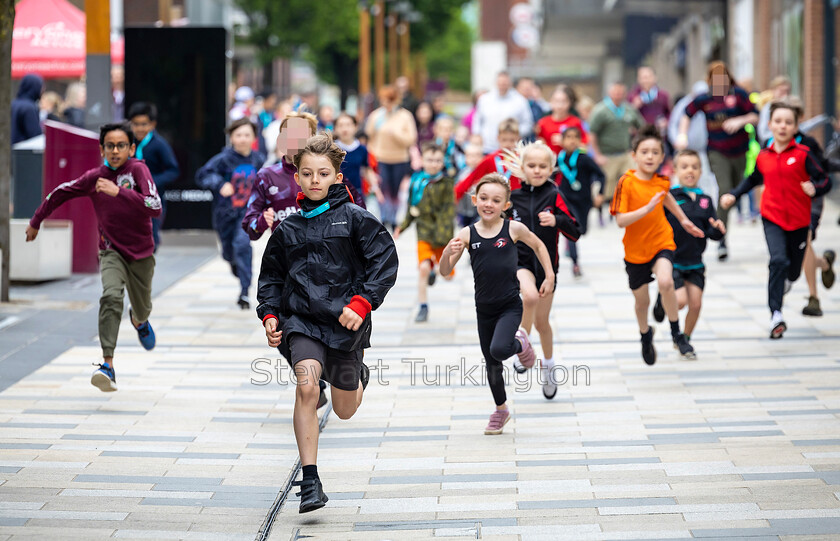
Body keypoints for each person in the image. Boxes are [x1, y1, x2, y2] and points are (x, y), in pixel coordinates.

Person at [257, 134, 398, 513]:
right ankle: (311, 481)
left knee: (346, 408)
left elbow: (383, 264)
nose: (315, 180)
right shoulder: (287, 230)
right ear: (297, 178)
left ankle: (356, 376)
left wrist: (362, 303)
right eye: (307, 173)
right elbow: (270, 277)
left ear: (337, 177)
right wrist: (270, 315)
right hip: (301, 321)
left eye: (323, 173)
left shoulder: (357, 220)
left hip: (346, 324)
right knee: (306, 385)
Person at [25, 123, 161, 391]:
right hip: (110, 250)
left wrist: (119, 192)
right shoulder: (94, 177)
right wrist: (36, 221)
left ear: (131, 148)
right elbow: (61, 192)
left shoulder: (138, 170)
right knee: (111, 296)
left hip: (142, 253)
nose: (115, 151)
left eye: (121, 145)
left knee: (142, 306)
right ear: (101, 149)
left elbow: (154, 206)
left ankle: (139, 319)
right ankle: (107, 364)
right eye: (109, 146)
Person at [440, 174, 553, 434]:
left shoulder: (513, 229)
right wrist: (447, 252)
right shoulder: (467, 234)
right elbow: (446, 270)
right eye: (483, 198)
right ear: (474, 200)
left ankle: (520, 342)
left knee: (501, 349)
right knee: (492, 363)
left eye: (496, 200)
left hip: (510, 305)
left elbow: (538, 245)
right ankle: (501, 410)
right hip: (484, 309)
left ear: (506, 205)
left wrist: (549, 274)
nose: (488, 204)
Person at [720, 100, 831, 338]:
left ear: (795, 127)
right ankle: (776, 315)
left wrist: (815, 187)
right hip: (772, 216)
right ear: (769, 124)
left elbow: (824, 180)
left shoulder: (804, 154)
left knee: (792, 273)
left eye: (788, 122)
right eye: (778, 121)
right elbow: (752, 179)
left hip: (800, 221)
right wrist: (733, 195)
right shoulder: (763, 155)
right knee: (777, 260)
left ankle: (785, 282)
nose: (782, 126)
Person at [610, 126, 705, 364]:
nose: (650, 156)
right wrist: (647, 208)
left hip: (662, 242)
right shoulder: (627, 182)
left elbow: (667, 198)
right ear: (635, 155)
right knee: (642, 302)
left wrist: (684, 221)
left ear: (663, 157)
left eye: (655, 152)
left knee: (665, 281)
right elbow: (621, 220)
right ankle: (645, 334)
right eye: (645, 151)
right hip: (635, 251)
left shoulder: (662, 181)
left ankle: (677, 334)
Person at [505, 141, 581, 399]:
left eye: (542, 166)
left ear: (551, 169)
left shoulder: (554, 195)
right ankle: (521, 347)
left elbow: (576, 231)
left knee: (542, 322)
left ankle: (548, 367)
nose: (537, 170)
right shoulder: (512, 197)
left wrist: (557, 220)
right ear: (522, 168)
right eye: (532, 165)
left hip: (548, 267)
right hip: (520, 263)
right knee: (529, 297)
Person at [675, 61, 759, 261]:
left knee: (737, 190)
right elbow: (686, 114)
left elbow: (756, 115)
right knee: (725, 190)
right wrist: (682, 134)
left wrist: (740, 121)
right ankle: (721, 237)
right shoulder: (705, 98)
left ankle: (727, 222)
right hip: (717, 151)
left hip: (739, 151)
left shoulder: (739, 94)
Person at [652, 150, 726, 344]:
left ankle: (684, 338)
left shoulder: (706, 201)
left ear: (701, 171)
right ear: (675, 170)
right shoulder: (671, 198)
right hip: (673, 260)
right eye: (684, 167)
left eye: (695, 167)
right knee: (681, 301)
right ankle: (663, 299)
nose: (690, 171)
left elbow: (711, 232)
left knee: (695, 304)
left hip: (695, 262)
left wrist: (718, 230)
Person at [197, 118, 266, 309]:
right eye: (238, 135)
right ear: (231, 137)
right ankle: (235, 265)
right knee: (228, 252)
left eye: (247, 135)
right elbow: (202, 175)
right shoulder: (223, 159)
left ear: (253, 137)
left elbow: (266, 183)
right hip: (224, 214)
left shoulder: (258, 159)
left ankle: (244, 291)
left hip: (247, 213)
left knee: (242, 244)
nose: (243, 139)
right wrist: (220, 184)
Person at [394, 142, 455, 322]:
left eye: (438, 160)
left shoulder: (446, 183)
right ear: (423, 160)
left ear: (443, 162)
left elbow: (448, 212)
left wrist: (448, 239)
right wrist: (402, 226)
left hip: (442, 236)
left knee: (448, 276)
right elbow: (411, 208)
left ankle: (434, 271)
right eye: (430, 159)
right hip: (424, 234)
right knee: (422, 268)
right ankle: (423, 306)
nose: (434, 163)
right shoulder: (416, 182)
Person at [127, 102, 181, 251]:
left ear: (152, 125)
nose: (139, 128)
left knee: (150, 238)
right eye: (135, 124)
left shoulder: (159, 145)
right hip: (130, 198)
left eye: (144, 124)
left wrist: (152, 182)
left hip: (152, 199)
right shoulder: (127, 142)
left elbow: (173, 170)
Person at [365, 85, 418, 231]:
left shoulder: (405, 116)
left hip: (400, 158)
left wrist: (396, 133)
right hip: (380, 158)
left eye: (390, 100)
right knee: (383, 189)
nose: (387, 104)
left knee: (395, 191)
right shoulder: (377, 115)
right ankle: (384, 217)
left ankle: (394, 218)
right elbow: (369, 134)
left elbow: (411, 139)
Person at [554, 126, 605, 277]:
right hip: (566, 200)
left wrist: (600, 194)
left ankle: (570, 244)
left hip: (584, 201)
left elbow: (601, 175)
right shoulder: (559, 159)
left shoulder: (584, 159)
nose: (572, 141)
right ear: (562, 141)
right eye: (568, 137)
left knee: (582, 230)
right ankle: (575, 263)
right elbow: (549, 176)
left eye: (575, 137)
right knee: (573, 229)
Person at [589, 82, 644, 207]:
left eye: (621, 93)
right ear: (610, 92)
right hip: (607, 155)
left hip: (625, 153)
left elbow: (641, 127)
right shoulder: (600, 110)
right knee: (607, 188)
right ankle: (607, 212)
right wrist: (597, 155)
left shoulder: (629, 109)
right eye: (615, 92)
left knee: (633, 179)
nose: (618, 95)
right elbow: (592, 134)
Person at [454, 118, 523, 201]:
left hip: (518, 203)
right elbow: (470, 179)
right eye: (504, 140)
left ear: (518, 139)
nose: (508, 144)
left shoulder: (522, 160)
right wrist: (452, 198)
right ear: (498, 138)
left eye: (512, 140)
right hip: (495, 205)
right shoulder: (490, 159)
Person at [474, 72, 533, 153]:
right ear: (496, 82)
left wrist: (514, 134)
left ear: (510, 83)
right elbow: (477, 121)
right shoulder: (484, 99)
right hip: (487, 147)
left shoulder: (520, 101)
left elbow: (528, 123)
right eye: (500, 82)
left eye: (505, 83)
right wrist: (477, 135)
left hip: (511, 149)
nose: (502, 85)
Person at [334, 112, 381, 210]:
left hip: (357, 191)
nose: (345, 129)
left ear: (355, 127)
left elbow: (367, 169)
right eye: (341, 125)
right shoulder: (332, 149)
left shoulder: (362, 149)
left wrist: (376, 187)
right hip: (335, 192)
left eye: (348, 125)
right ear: (336, 129)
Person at [535, 85, 588, 157]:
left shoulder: (576, 122)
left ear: (570, 103)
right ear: (550, 101)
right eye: (556, 101)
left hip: (571, 164)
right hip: (550, 162)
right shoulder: (542, 123)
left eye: (564, 101)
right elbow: (539, 144)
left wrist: (567, 143)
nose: (559, 105)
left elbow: (584, 148)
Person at [757, 76, 791, 145]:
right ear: (773, 91)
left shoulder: (790, 107)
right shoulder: (768, 108)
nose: (785, 95)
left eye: (787, 91)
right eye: (782, 91)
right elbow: (762, 133)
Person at [455, 143, 483, 227]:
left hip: (478, 211)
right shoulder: (463, 173)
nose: (474, 159)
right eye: (470, 156)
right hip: (464, 210)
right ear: (466, 158)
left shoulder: (484, 174)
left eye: (477, 156)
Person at [12, 73, 44, 144]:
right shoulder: (29, 107)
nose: (42, 91)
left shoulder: (13, 103)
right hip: (22, 152)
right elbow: (35, 136)